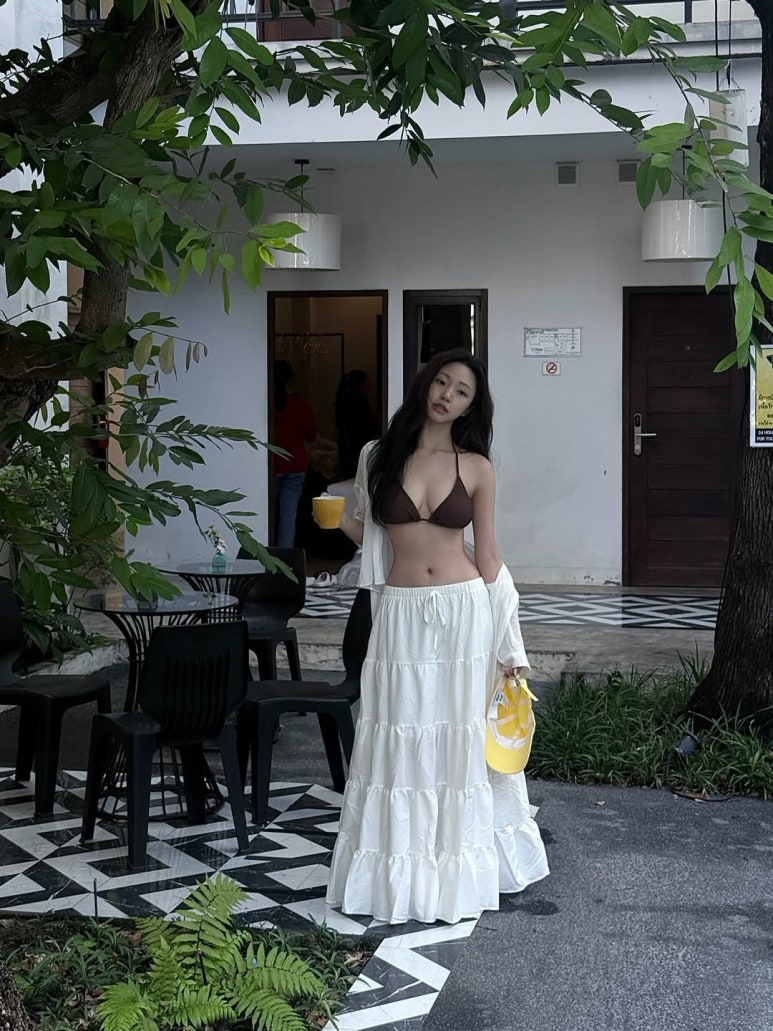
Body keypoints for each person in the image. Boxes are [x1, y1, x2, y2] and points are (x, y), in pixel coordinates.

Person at [324, 348, 549, 925]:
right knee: (399, 731)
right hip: (398, 613)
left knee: (457, 736)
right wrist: (340, 519)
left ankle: (454, 870)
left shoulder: (477, 467)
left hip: (463, 612)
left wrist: (510, 645)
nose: (447, 395)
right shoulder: (378, 455)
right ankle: (399, 871)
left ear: (472, 406)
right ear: (425, 384)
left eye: (462, 391)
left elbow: (490, 558)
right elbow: (369, 531)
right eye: (442, 382)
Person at [273, 360, 316, 548]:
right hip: (295, 465)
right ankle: (285, 557)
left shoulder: (265, 401)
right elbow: (311, 434)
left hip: (270, 464)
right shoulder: (299, 403)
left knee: (264, 511)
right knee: (288, 516)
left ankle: (263, 554)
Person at [334, 369, 378, 479]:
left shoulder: (358, 402)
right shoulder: (353, 404)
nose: (369, 387)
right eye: (367, 383)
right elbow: (349, 430)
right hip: (355, 449)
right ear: (360, 385)